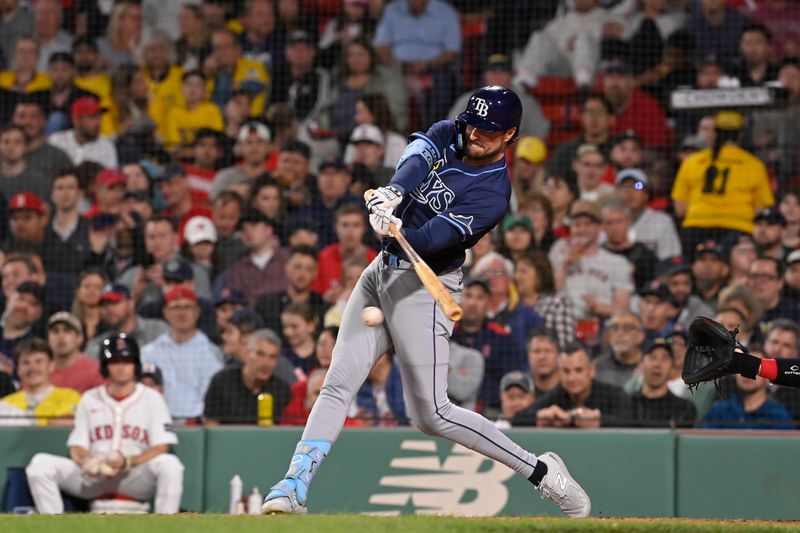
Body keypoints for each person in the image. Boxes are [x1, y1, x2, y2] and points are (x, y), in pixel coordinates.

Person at [261, 86, 591, 518]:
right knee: (337, 382)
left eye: (489, 130)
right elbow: (418, 156)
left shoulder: (493, 194)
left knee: (432, 415)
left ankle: (543, 472)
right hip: (382, 271)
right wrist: (394, 193)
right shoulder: (451, 131)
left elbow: (434, 238)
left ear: (510, 134)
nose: (475, 134)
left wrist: (395, 228)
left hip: (425, 284)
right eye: (474, 123)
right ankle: (293, 485)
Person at [25, 333, 184, 514]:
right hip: (94, 477)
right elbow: (77, 445)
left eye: (126, 361)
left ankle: (167, 524)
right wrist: (87, 461)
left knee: (170, 464)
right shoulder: (90, 398)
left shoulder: (152, 398)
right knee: (40, 464)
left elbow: (162, 446)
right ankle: (51, 525)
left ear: (135, 365)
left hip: (134, 476)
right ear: (105, 366)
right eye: (114, 361)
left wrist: (129, 461)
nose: (121, 367)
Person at [672, 111, 774, 253]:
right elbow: (761, 209)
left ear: (715, 133)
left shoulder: (692, 161)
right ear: (740, 134)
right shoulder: (754, 165)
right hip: (737, 228)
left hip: (696, 228)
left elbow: (680, 209)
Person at [141, 287, 223, 420]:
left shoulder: (212, 353)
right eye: (176, 307)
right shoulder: (150, 352)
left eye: (187, 307)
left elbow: (213, 397)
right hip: (159, 422)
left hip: (198, 423)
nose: (182, 313)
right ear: (165, 312)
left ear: (197, 312)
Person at [511, 342, 633, 428]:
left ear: (591, 370)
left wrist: (598, 421)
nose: (571, 378)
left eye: (578, 370)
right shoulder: (557, 395)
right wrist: (542, 416)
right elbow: (517, 419)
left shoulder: (614, 394)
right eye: (566, 371)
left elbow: (631, 421)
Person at [549, 200, 634, 322]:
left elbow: (623, 308)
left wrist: (598, 307)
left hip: (602, 324)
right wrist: (563, 266)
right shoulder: (558, 258)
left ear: (599, 227)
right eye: (577, 225)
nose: (582, 230)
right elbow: (552, 298)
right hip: (565, 323)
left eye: (588, 224)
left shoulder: (617, 262)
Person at [204, 328, 292, 425]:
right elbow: (210, 428)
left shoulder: (282, 390)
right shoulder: (222, 382)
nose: (266, 363)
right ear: (247, 353)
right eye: (260, 354)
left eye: (272, 357)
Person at [701, 347, 794, 431]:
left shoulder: (779, 416)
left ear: (767, 374)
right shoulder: (719, 411)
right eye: (741, 367)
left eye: (754, 368)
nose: (747, 374)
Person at [1, 338, 81, 426]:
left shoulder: (69, 396)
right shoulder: (6, 403)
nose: (32, 368)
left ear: (51, 366)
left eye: (38, 362)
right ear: (18, 370)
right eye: (26, 363)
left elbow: (65, 426)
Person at [255, 246, 327, 338]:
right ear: (286, 268)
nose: (302, 274)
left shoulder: (323, 307)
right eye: (297, 267)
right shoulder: (267, 305)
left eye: (309, 269)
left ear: (315, 274)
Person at [85, 284, 169, 361]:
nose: (108, 310)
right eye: (103, 305)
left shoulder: (157, 330)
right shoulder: (97, 346)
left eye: (114, 303)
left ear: (131, 303)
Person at [226, 209, 289, 307]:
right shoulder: (238, 269)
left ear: (269, 229)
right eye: (243, 229)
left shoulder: (288, 259)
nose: (248, 232)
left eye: (254, 226)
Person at [630, 338, 696, 428]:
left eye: (665, 359)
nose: (657, 364)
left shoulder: (684, 408)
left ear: (672, 367)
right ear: (641, 363)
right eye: (652, 357)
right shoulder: (627, 403)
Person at [514, 252, 575, 347]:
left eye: (523, 271)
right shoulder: (511, 306)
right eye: (516, 271)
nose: (517, 276)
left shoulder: (557, 303)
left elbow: (565, 345)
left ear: (540, 275)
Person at [601, 198, 658, 291]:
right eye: (609, 223)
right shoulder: (597, 254)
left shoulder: (645, 255)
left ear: (629, 222)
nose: (615, 228)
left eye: (619, 221)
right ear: (602, 226)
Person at [47, 97, 118, 169]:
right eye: (92, 117)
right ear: (76, 120)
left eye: (99, 117)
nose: (98, 122)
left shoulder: (106, 146)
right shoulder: (57, 141)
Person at [47, 311, 104, 394]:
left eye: (67, 331)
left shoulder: (95, 370)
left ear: (79, 338)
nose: (60, 336)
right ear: (48, 339)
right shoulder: (39, 371)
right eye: (55, 331)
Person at [593, 311, 646, 389]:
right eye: (614, 329)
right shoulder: (597, 368)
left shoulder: (650, 367)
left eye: (627, 329)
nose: (619, 334)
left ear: (640, 336)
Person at [0, 125, 49, 201]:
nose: (11, 146)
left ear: (26, 146)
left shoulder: (39, 181)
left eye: (17, 142)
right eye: (6, 141)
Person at [526, 327, 561, 396]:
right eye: (536, 351)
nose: (542, 357)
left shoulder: (570, 386)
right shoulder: (521, 388)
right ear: (528, 356)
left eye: (547, 351)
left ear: (558, 354)